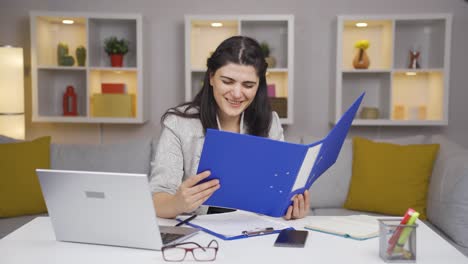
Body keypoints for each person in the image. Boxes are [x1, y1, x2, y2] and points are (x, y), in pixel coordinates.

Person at [149, 36, 309, 220]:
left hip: (254, 234)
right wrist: (177, 203)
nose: (237, 93)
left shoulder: (270, 122)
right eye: (227, 81)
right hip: (202, 238)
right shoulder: (178, 123)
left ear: (259, 86)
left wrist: (291, 207)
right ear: (211, 77)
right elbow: (156, 201)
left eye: (248, 85)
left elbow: (278, 194)